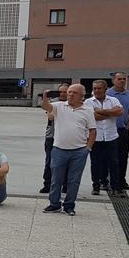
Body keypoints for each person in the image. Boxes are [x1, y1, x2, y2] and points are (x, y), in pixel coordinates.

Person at [43, 84, 96, 216]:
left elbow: (93, 131)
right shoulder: (59, 106)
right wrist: (45, 97)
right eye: (69, 92)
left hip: (79, 151)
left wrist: (88, 148)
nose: (71, 94)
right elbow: (46, 107)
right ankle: (54, 204)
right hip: (59, 149)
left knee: (74, 180)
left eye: (74, 93)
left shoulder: (88, 110)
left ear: (82, 96)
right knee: (56, 179)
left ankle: (69, 205)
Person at [87, 79, 124, 197]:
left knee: (114, 163)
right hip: (96, 138)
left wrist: (101, 111)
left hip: (111, 136)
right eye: (94, 88)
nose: (97, 91)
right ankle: (96, 186)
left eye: (99, 88)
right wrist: (110, 114)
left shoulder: (113, 100)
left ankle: (116, 187)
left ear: (105, 89)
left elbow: (119, 112)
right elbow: (92, 117)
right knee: (95, 163)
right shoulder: (88, 102)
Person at [108, 72, 129, 193]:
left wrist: (127, 128)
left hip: (123, 130)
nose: (122, 81)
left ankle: (121, 180)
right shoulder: (107, 94)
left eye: (124, 79)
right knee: (109, 157)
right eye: (119, 79)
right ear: (113, 80)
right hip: (109, 130)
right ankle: (107, 181)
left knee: (123, 156)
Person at [39, 84, 69, 193]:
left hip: (66, 136)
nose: (62, 94)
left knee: (67, 162)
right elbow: (50, 116)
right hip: (52, 136)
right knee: (49, 162)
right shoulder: (53, 103)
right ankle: (47, 184)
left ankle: (66, 185)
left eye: (65, 92)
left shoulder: (72, 104)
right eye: (60, 91)